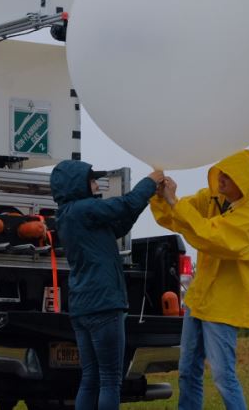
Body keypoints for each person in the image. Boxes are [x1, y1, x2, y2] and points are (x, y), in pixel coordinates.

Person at [151, 149, 249, 410]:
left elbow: (214, 238)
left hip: (225, 304)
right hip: (199, 299)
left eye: (229, 175)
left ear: (244, 180)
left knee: (224, 377)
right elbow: (176, 218)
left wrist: (175, 203)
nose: (221, 178)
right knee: (188, 371)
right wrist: (162, 197)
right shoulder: (210, 198)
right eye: (220, 172)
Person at [50, 160, 164, 410]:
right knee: (110, 380)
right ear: (76, 184)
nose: (95, 184)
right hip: (103, 305)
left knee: (90, 379)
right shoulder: (85, 209)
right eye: (91, 180)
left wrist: (144, 199)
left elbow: (120, 222)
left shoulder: (69, 215)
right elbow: (124, 205)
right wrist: (151, 181)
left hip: (82, 307)